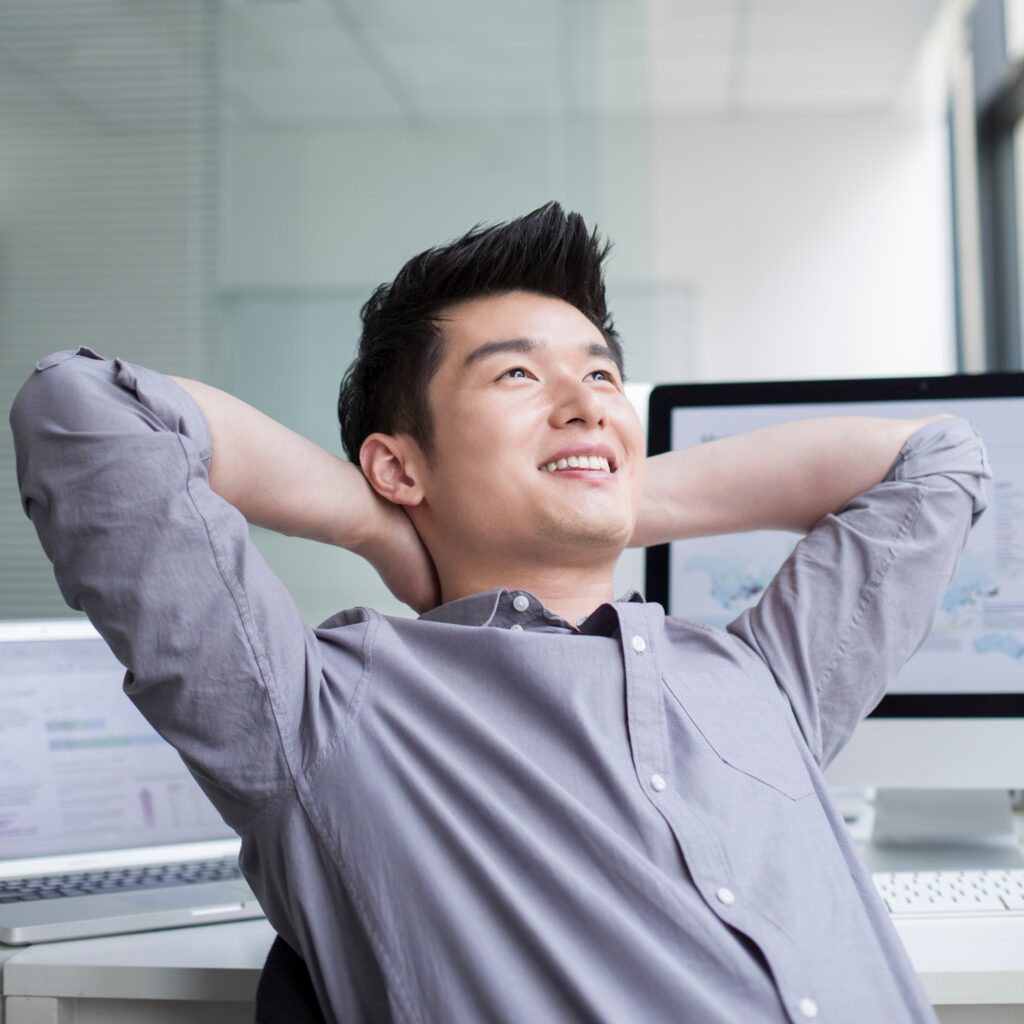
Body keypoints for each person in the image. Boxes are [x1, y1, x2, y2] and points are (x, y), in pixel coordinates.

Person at [9, 201, 988, 1023]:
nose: (585, 402)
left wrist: (610, 491)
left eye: (601, 375)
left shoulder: (761, 678)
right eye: (518, 374)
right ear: (400, 461)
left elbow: (937, 461)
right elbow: (86, 411)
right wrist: (379, 522)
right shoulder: (324, 716)